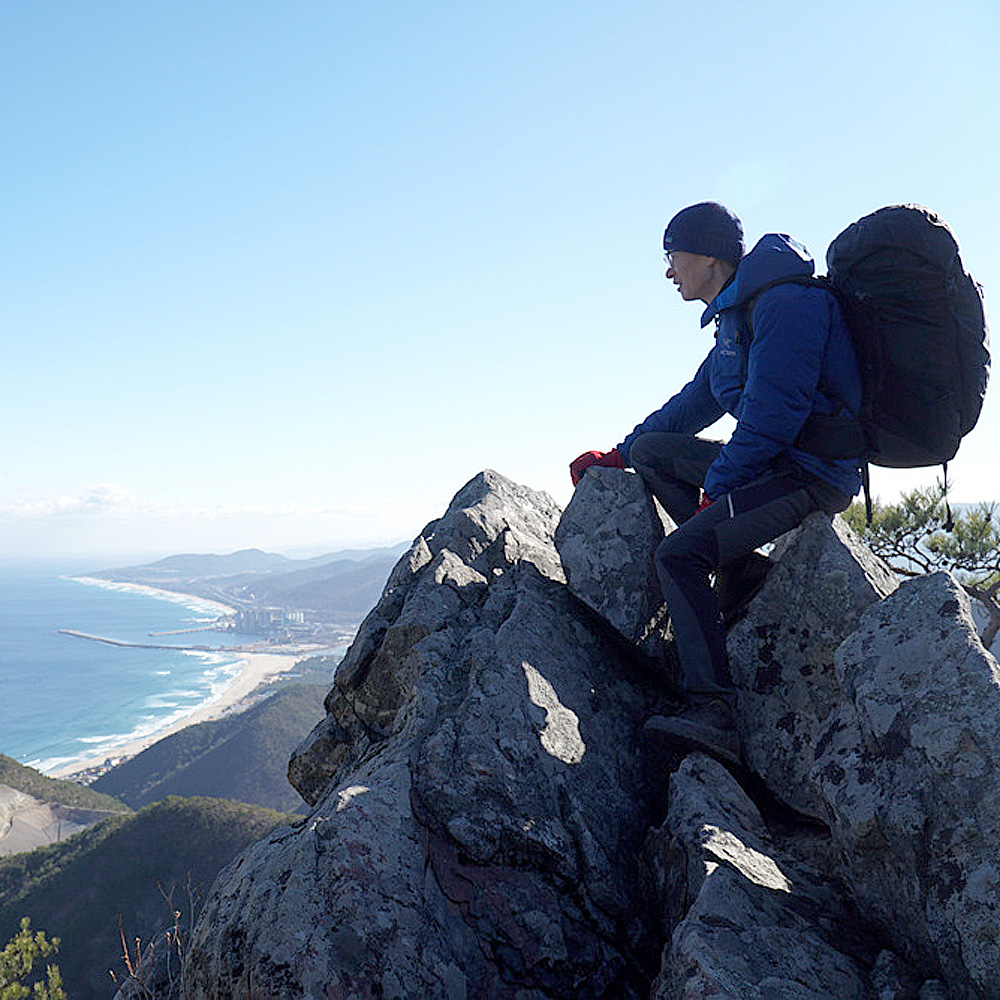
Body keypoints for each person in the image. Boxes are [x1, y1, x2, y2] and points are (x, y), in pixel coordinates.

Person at [569, 202, 862, 768]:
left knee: (677, 556)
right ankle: (740, 569)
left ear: (707, 256)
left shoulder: (785, 304)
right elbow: (692, 405)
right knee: (656, 452)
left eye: (671, 255)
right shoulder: (736, 317)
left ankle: (715, 711)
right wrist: (619, 453)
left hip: (810, 475)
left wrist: (720, 486)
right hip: (772, 464)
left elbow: (777, 413)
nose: (668, 270)